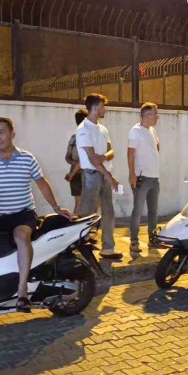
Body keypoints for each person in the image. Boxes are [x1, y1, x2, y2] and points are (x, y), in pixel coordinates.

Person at [0, 117, 73, 313]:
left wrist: (57, 207)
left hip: (23, 214)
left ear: (12, 134)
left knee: (21, 236)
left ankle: (22, 292)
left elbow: (41, 183)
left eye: (1, 132)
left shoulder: (27, 158)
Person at [76, 93, 122, 259]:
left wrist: (102, 157)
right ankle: (80, 246)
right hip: (91, 175)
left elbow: (111, 152)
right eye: (103, 107)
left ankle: (108, 248)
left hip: (104, 174)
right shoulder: (83, 130)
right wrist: (109, 175)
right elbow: (92, 160)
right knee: (87, 213)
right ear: (95, 108)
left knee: (108, 211)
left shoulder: (103, 129)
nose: (104, 110)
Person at [128, 102, 162, 253]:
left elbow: (157, 147)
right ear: (147, 116)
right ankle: (134, 242)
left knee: (153, 210)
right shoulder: (135, 131)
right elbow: (130, 154)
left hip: (154, 178)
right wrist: (132, 174)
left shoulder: (152, 130)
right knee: (138, 210)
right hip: (141, 178)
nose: (157, 117)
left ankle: (152, 239)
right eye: (155, 114)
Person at [64, 109, 88, 215]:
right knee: (90, 202)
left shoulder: (74, 138)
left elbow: (67, 157)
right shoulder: (88, 136)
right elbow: (84, 159)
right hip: (86, 173)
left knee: (78, 203)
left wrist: (73, 164)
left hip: (75, 173)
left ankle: (76, 223)